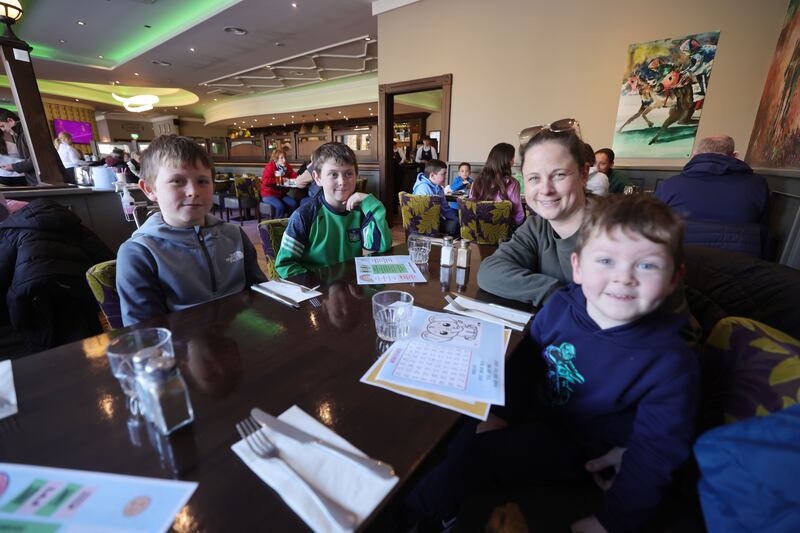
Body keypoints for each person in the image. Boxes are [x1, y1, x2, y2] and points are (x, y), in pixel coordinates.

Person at [407, 195, 699, 533]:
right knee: (457, 427)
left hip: (583, 445)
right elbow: (526, 361)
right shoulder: (561, 305)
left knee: (475, 458)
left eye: (647, 265)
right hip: (538, 411)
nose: (624, 278)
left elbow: (655, 457)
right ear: (577, 267)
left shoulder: (671, 363)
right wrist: (501, 414)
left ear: (675, 278)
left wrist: (610, 522)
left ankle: (403, 516)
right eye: (605, 260)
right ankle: (440, 506)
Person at [116, 135, 266, 326]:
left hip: (245, 337)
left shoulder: (234, 235)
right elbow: (147, 333)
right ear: (149, 189)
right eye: (177, 181)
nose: (193, 191)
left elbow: (260, 294)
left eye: (202, 181)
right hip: (184, 350)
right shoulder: (138, 253)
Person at [477, 122, 589, 308]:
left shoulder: (618, 231)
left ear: (584, 174)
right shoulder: (537, 226)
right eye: (534, 178)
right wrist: (561, 295)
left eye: (559, 175)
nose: (545, 190)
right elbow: (490, 272)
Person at [0, 198, 113, 353]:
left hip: (31, 337)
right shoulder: (62, 219)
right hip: (90, 321)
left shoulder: (8, 238)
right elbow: (109, 268)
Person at [274, 142, 392, 278]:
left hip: (352, 290)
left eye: (348, 173)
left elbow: (381, 246)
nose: (342, 181)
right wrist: (320, 285)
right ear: (318, 178)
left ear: (356, 175)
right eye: (333, 174)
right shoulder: (304, 216)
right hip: (319, 293)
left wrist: (373, 205)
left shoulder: (361, 211)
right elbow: (284, 265)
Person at [654, 134, 770, 229]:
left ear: (695, 154)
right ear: (734, 156)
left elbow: (653, 224)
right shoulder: (757, 184)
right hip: (742, 254)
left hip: (680, 254)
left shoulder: (669, 185)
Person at [468, 143, 525, 226]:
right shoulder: (513, 183)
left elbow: (471, 208)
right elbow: (519, 216)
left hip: (476, 232)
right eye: (512, 159)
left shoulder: (477, 181)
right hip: (504, 235)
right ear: (505, 161)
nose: (513, 162)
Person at [412, 159, 460, 237]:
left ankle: (453, 245)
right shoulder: (423, 188)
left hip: (436, 219)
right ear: (432, 175)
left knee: (458, 220)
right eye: (443, 174)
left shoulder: (439, 188)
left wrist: (457, 219)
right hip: (425, 223)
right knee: (454, 225)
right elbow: (422, 214)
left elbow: (445, 208)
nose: (446, 177)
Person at [0, 108, 35, 185]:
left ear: (10, 121)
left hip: (41, 180)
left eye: (2, 126)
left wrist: (13, 167)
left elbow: (37, 160)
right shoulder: (18, 134)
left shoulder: (26, 133)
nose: (2, 130)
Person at [260, 148, 299, 218]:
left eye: (285, 157)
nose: (284, 160)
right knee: (280, 206)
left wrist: (298, 177)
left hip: (280, 194)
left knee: (293, 203)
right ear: (276, 159)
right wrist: (280, 180)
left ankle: (289, 223)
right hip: (268, 194)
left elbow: (293, 175)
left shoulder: (287, 167)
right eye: (281, 158)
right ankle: (276, 226)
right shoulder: (270, 167)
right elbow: (265, 181)